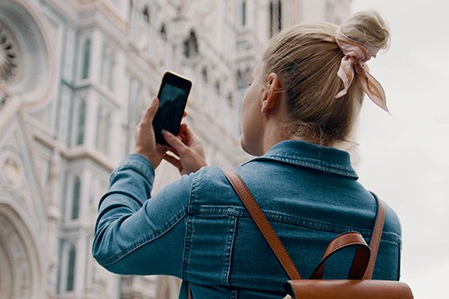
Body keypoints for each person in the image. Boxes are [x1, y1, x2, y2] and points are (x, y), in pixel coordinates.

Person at [92, 10, 401, 299]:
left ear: (269, 90)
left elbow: (110, 244)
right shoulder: (384, 226)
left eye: (252, 83)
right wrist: (208, 181)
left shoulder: (206, 196)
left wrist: (142, 160)